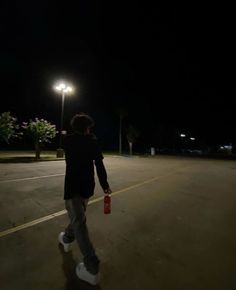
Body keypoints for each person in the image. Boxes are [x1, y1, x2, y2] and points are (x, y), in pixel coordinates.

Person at [58, 113, 112, 286]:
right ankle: (67, 239)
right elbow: (99, 165)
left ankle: (90, 266)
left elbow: (64, 141)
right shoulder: (93, 142)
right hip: (86, 188)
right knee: (78, 219)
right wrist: (105, 185)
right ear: (88, 128)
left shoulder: (68, 140)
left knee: (78, 221)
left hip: (73, 187)